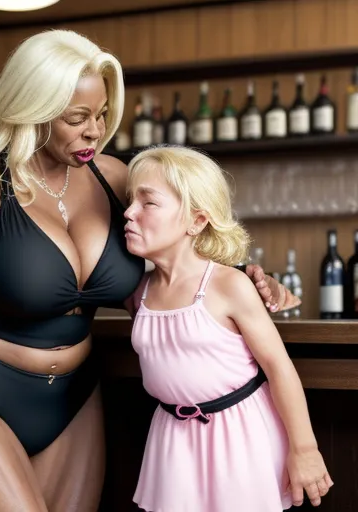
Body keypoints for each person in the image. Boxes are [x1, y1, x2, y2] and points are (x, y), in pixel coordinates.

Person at [0, 30, 296, 512]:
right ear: (32, 108)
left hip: (74, 396)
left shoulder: (117, 179)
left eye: (103, 113)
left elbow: (187, 240)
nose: (95, 130)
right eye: (77, 118)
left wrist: (250, 274)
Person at [124, 145, 333, 512]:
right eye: (130, 201)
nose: (128, 213)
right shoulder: (139, 292)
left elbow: (279, 368)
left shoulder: (228, 285)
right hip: (172, 438)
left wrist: (305, 449)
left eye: (148, 203)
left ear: (197, 220)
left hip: (238, 436)